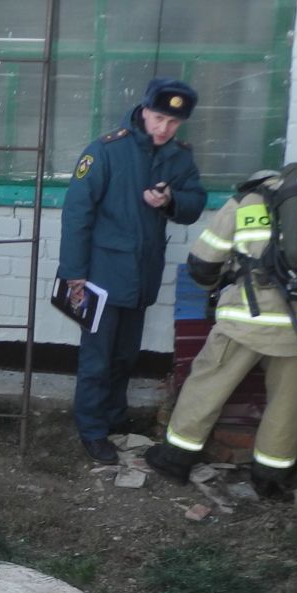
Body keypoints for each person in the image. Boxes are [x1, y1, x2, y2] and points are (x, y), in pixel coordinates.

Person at [144, 164, 297, 494]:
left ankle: (175, 458)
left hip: (246, 321)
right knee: (287, 402)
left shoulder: (242, 205)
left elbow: (202, 264)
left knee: (208, 384)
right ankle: (271, 476)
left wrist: (222, 283)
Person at [58, 78, 206, 464]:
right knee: (97, 358)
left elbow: (194, 203)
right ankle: (92, 430)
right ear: (143, 110)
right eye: (158, 118)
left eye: (173, 123)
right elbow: (77, 212)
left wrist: (171, 200)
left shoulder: (178, 156)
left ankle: (114, 418)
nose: (164, 128)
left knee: (126, 355)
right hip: (101, 276)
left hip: (142, 275)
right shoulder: (107, 151)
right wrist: (74, 273)